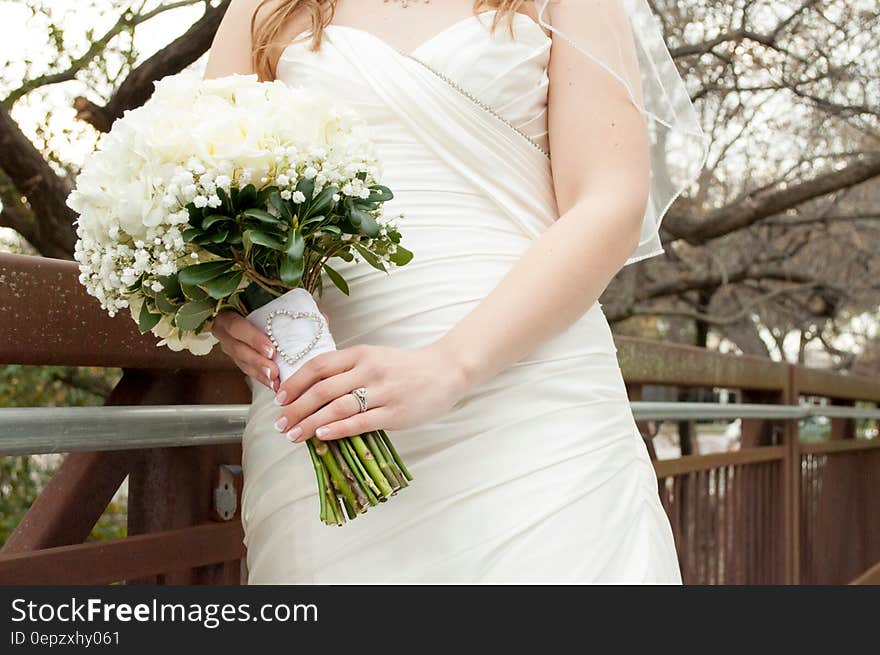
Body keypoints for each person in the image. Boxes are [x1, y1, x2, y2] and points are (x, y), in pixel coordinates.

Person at [204, 0, 687, 583]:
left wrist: (450, 366)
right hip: (327, 415)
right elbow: (206, 187)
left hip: (533, 408)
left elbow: (610, 202)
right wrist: (228, 310)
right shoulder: (264, 7)